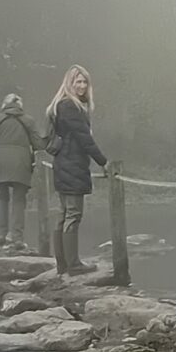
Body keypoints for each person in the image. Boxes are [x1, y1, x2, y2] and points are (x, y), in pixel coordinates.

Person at [45, 66, 106, 275]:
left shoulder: (61, 106)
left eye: (84, 82)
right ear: (69, 83)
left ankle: (63, 264)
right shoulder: (70, 107)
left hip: (65, 164)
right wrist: (103, 161)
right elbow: (84, 138)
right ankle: (73, 264)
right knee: (72, 214)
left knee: (64, 214)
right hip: (72, 165)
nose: (81, 86)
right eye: (77, 82)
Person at [0, 92, 39, 250]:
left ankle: (0, 235)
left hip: (0, 162)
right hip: (21, 162)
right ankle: (17, 238)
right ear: (20, 106)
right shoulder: (28, 120)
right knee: (18, 200)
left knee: (1, 197)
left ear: (5, 104)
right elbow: (38, 144)